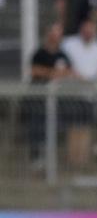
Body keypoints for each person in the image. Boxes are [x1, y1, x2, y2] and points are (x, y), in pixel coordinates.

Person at [61, 19, 97, 168]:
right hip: (71, 94)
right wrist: (76, 76)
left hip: (90, 95)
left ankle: (82, 158)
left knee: (85, 127)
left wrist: (94, 83)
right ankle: (72, 158)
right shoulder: (69, 44)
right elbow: (62, 65)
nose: (88, 32)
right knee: (73, 127)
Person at [24, 24, 72, 169]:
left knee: (56, 127)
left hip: (56, 99)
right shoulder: (39, 53)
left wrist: (53, 73)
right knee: (37, 127)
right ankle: (36, 157)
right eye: (54, 33)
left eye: (59, 34)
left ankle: (51, 158)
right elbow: (34, 71)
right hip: (38, 99)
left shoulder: (63, 55)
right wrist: (52, 73)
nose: (57, 37)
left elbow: (69, 72)